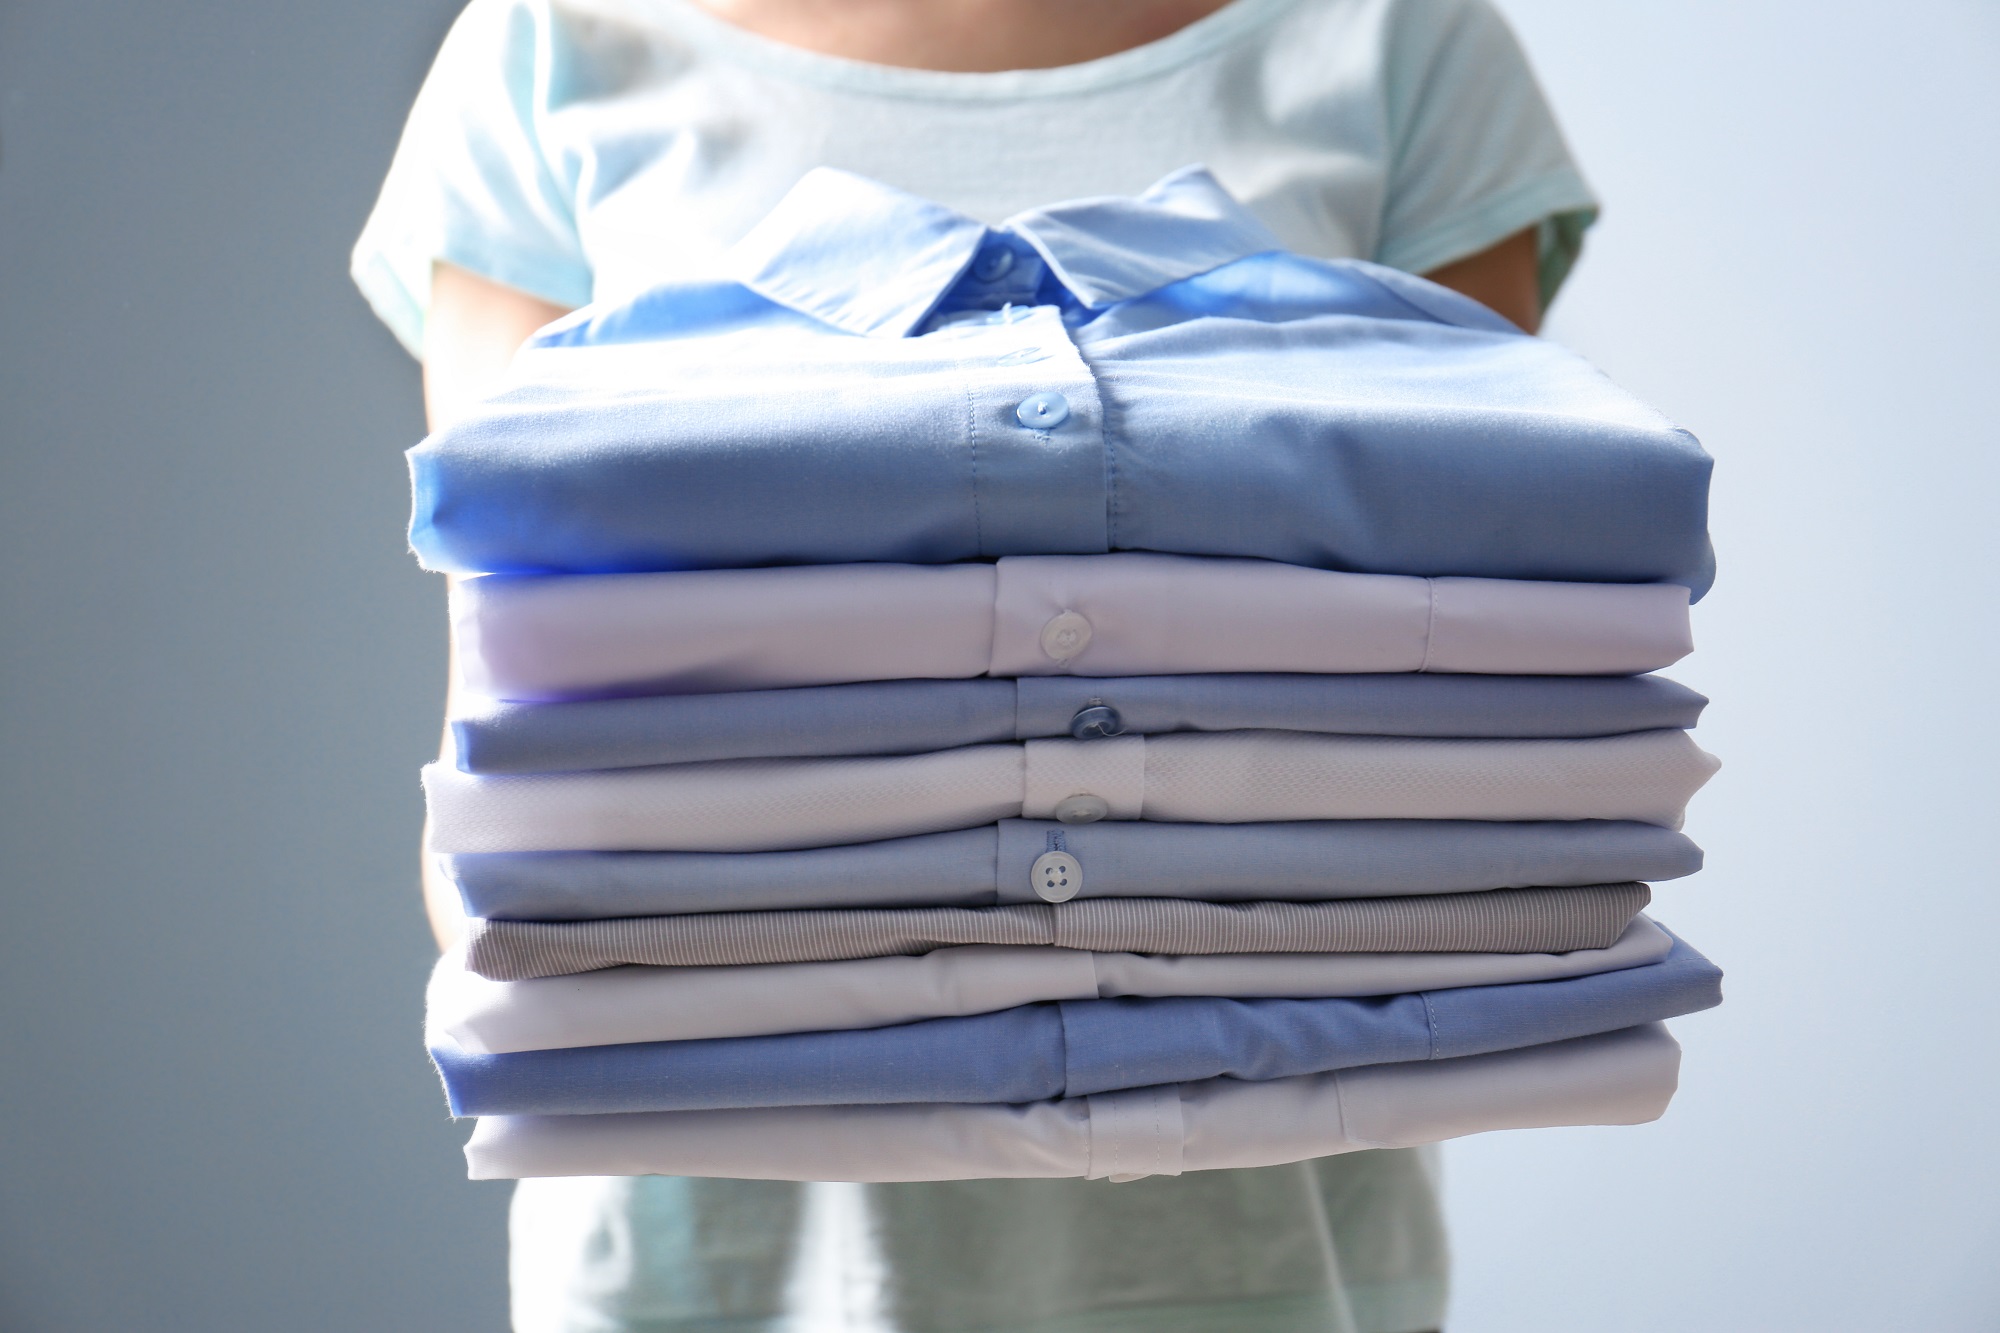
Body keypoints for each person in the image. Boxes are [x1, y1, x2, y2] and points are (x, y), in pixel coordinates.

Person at [354, 2, 1598, 1329]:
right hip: (715, 1273)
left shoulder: (1395, 39)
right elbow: (511, 803)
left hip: (1264, 1267)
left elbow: (1463, 747)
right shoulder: (554, 46)